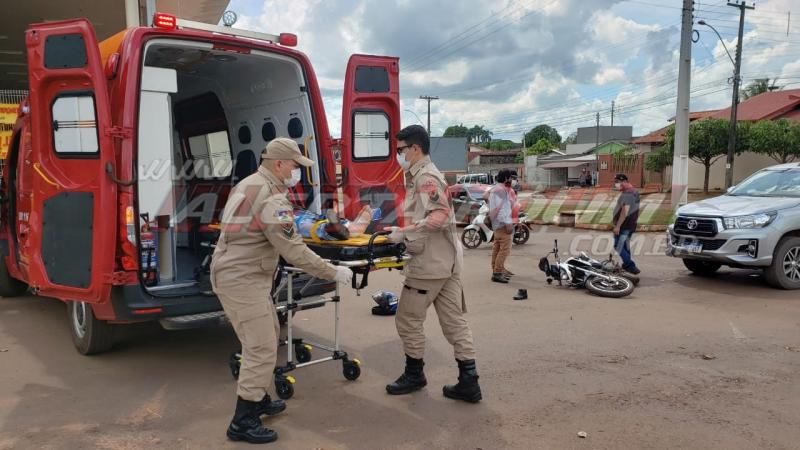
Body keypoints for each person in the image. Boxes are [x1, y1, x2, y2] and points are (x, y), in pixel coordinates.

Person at [211, 137, 353, 444]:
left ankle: (258, 399)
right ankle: (243, 420)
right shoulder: (272, 199)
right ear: (278, 164)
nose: (297, 172)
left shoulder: (249, 183)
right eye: (295, 166)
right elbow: (294, 251)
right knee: (261, 347)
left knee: (269, 334)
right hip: (242, 279)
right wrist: (333, 271)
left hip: (239, 274)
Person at [385, 124, 482, 403]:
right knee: (455, 323)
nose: (398, 155)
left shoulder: (426, 177)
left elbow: (439, 215)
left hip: (429, 266)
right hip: (447, 263)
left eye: (400, 150)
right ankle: (469, 382)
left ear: (415, 149)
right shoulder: (422, 175)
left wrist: (404, 233)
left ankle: (414, 374)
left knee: (407, 319)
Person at [488, 169, 515, 283]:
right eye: (510, 177)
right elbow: (503, 209)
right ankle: (497, 273)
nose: (511, 180)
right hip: (502, 224)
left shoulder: (495, 189)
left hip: (496, 224)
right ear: (506, 178)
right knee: (504, 250)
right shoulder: (501, 190)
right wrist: (508, 223)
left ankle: (496, 270)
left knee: (497, 249)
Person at [611, 173, 641, 275]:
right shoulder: (635, 191)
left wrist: (618, 226)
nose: (616, 184)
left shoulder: (627, 194)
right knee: (625, 245)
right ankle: (627, 266)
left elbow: (625, 211)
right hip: (631, 224)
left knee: (618, 245)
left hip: (624, 225)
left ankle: (630, 266)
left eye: (617, 182)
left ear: (624, 181)